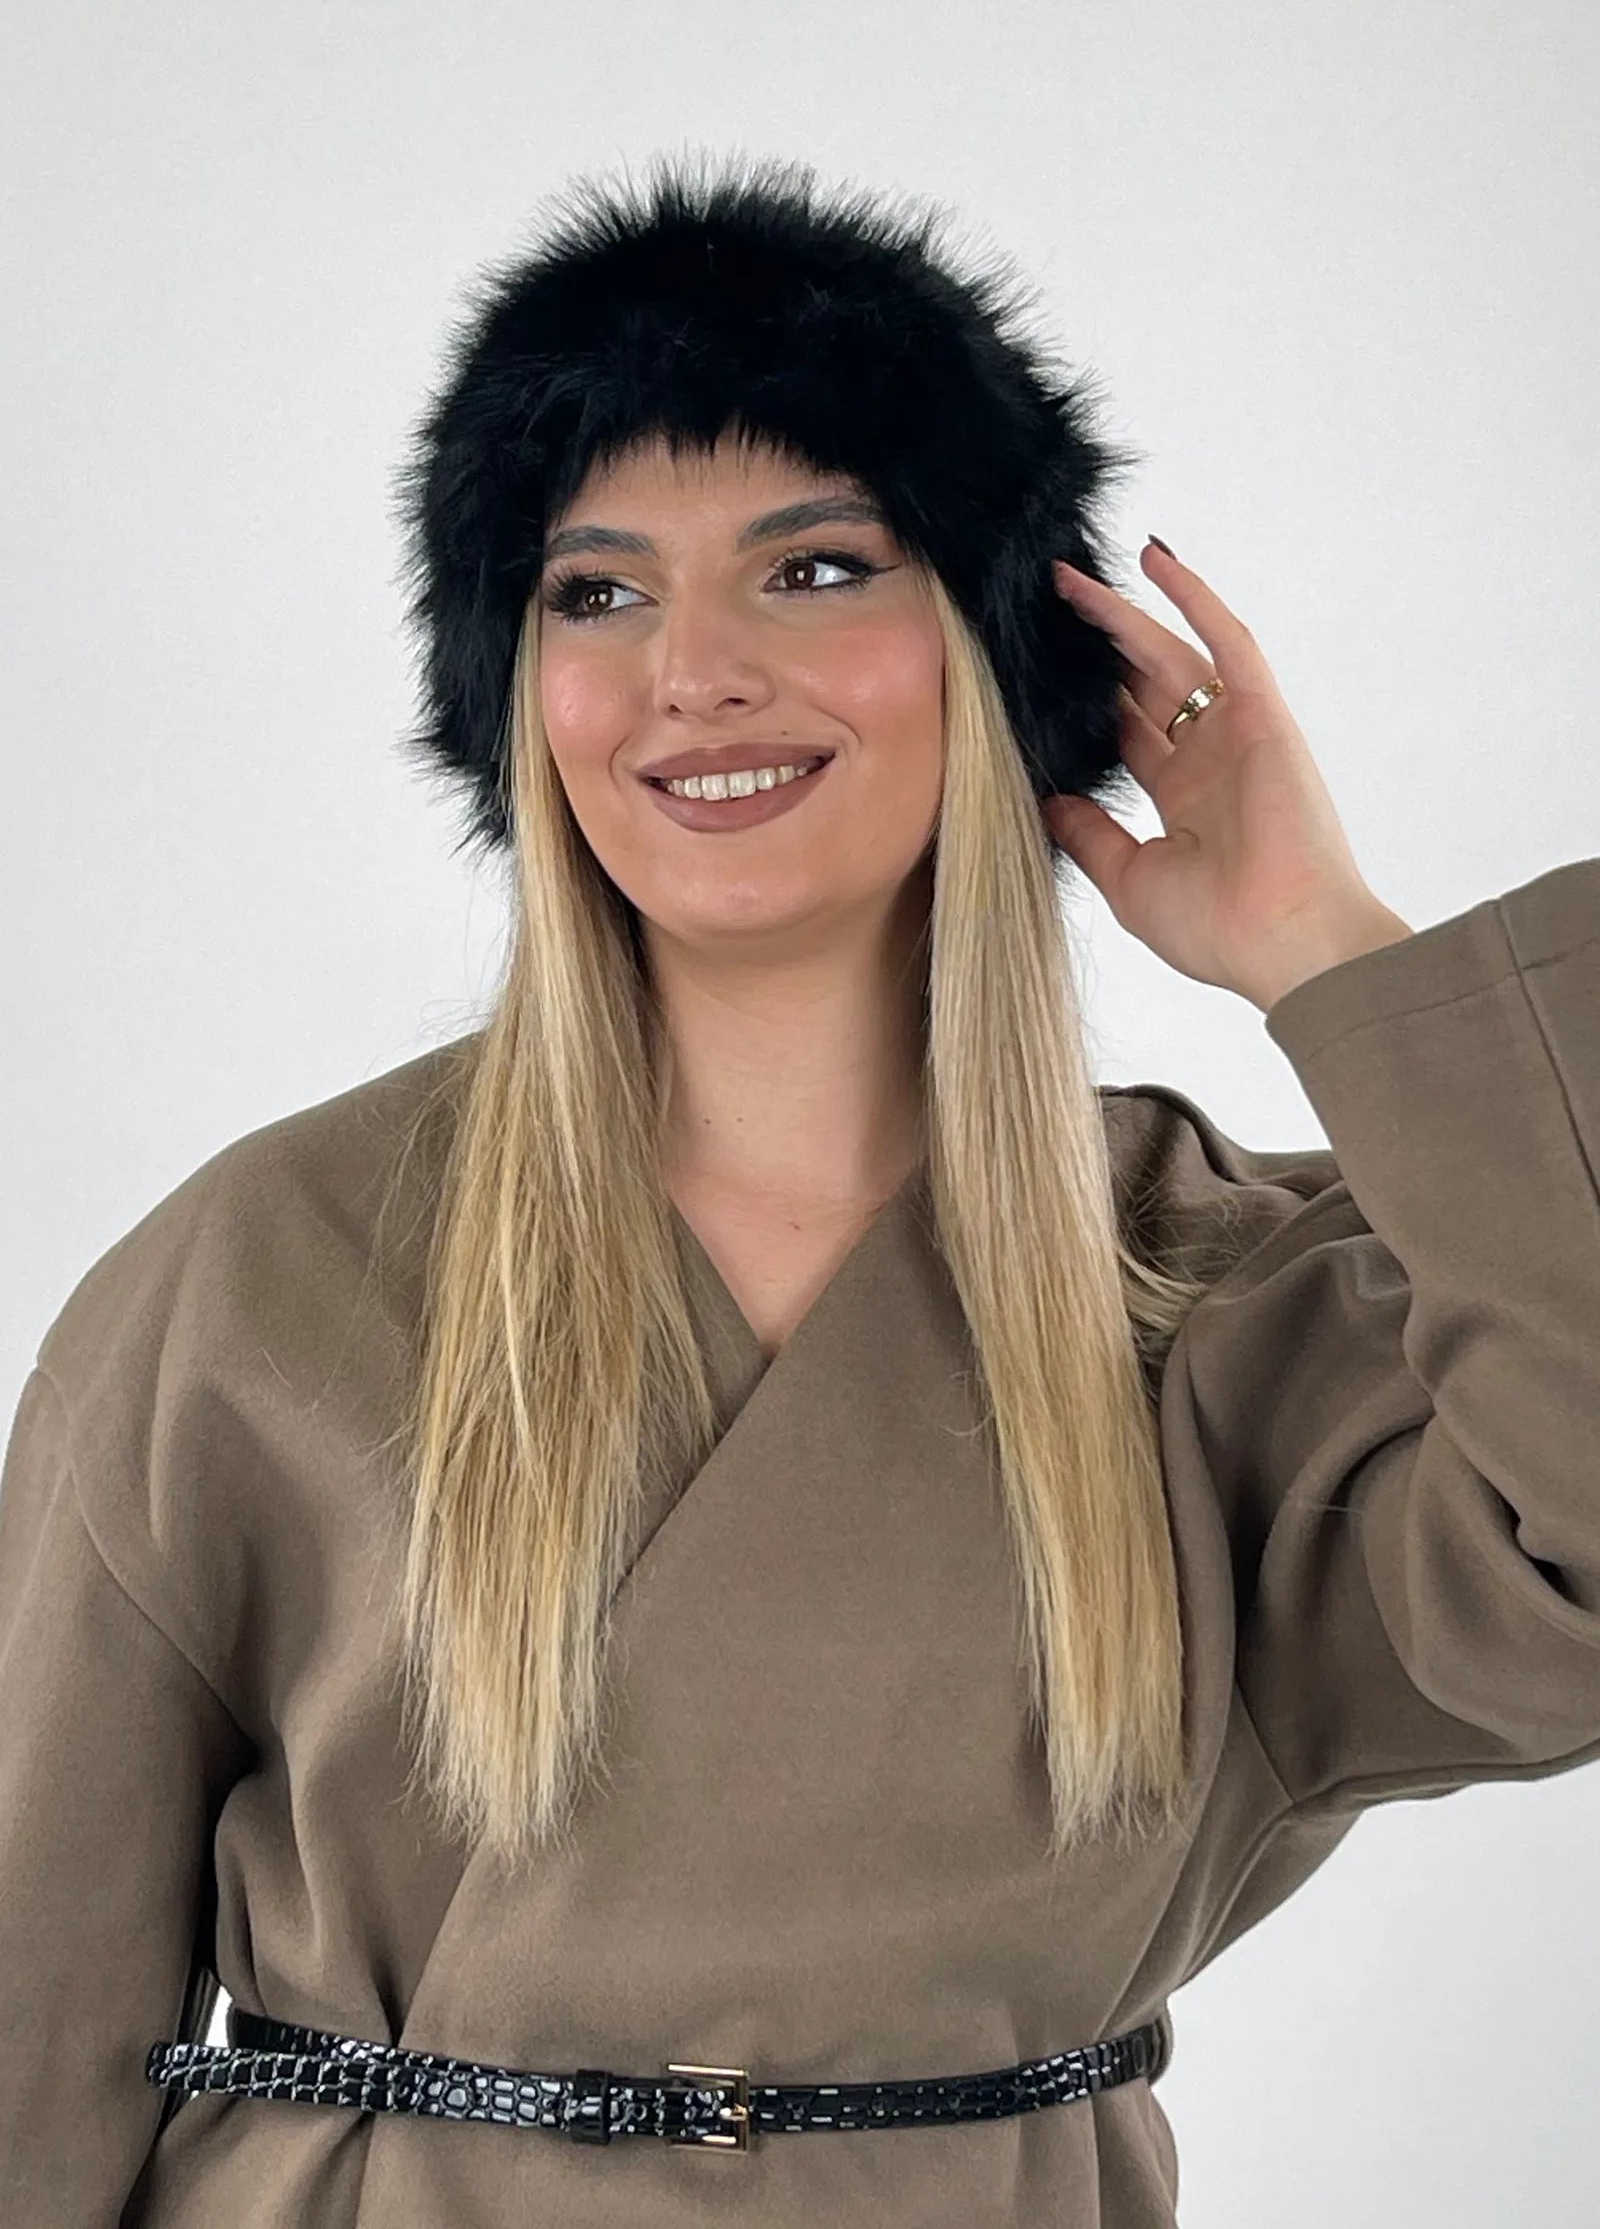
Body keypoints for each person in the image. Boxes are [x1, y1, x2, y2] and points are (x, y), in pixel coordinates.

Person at [3, 154, 1597, 2228]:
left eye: (817, 567)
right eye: (595, 592)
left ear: (1004, 658)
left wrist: (1326, 949)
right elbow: (25, 2012)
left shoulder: (1215, 1295)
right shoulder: (265, 1271)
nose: (695, 668)